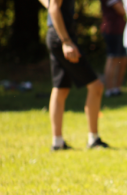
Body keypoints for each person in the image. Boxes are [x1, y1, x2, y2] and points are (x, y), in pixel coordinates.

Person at [38, 0, 109, 150]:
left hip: (57, 35)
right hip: (61, 37)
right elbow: (54, 8)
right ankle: (93, 139)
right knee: (96, 86)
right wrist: (66, 41)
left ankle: (57, 143)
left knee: (61, 88)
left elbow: (52, 5)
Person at [100, 0, 127, 97]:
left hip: (121, 29)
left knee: (123, 59)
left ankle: (117, 88)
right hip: (111, 29)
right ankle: (109, 90)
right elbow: (122, 10)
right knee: (113, 59)